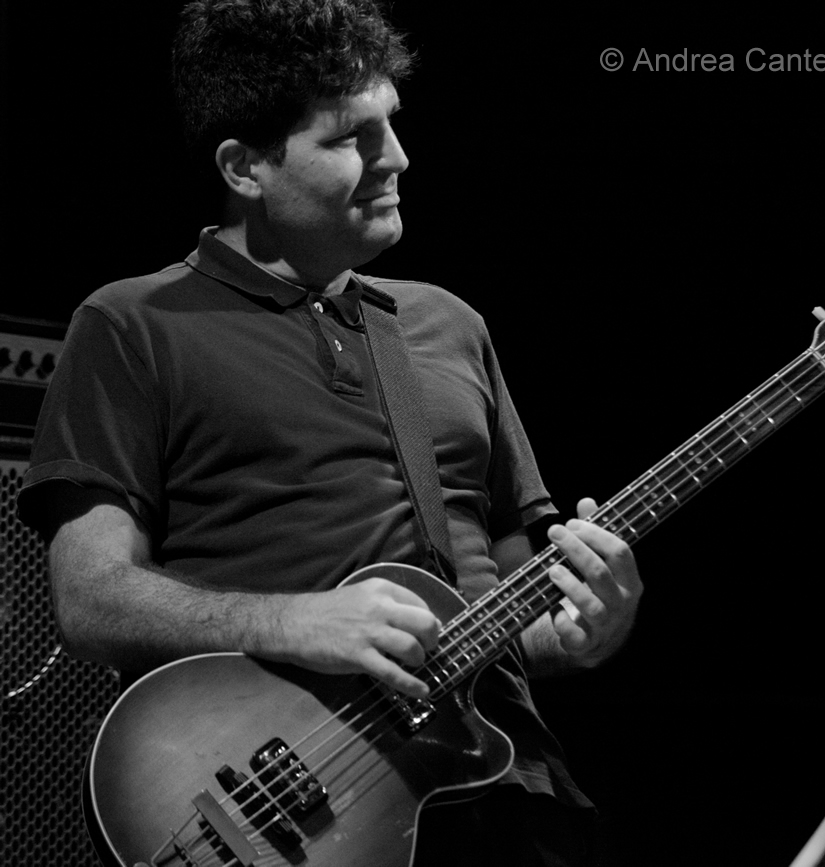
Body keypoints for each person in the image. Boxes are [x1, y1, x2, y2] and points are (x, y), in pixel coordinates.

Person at [18, 1, 642, 864]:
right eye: (352, 136)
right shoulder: (133, 323)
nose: (398, 158)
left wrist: (577, 630)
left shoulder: (450, 324)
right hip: (297, 814)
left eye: (394, 122)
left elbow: (502, 607)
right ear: (244, 167)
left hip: (511, 792)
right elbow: (90, 599)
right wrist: (294, 622)